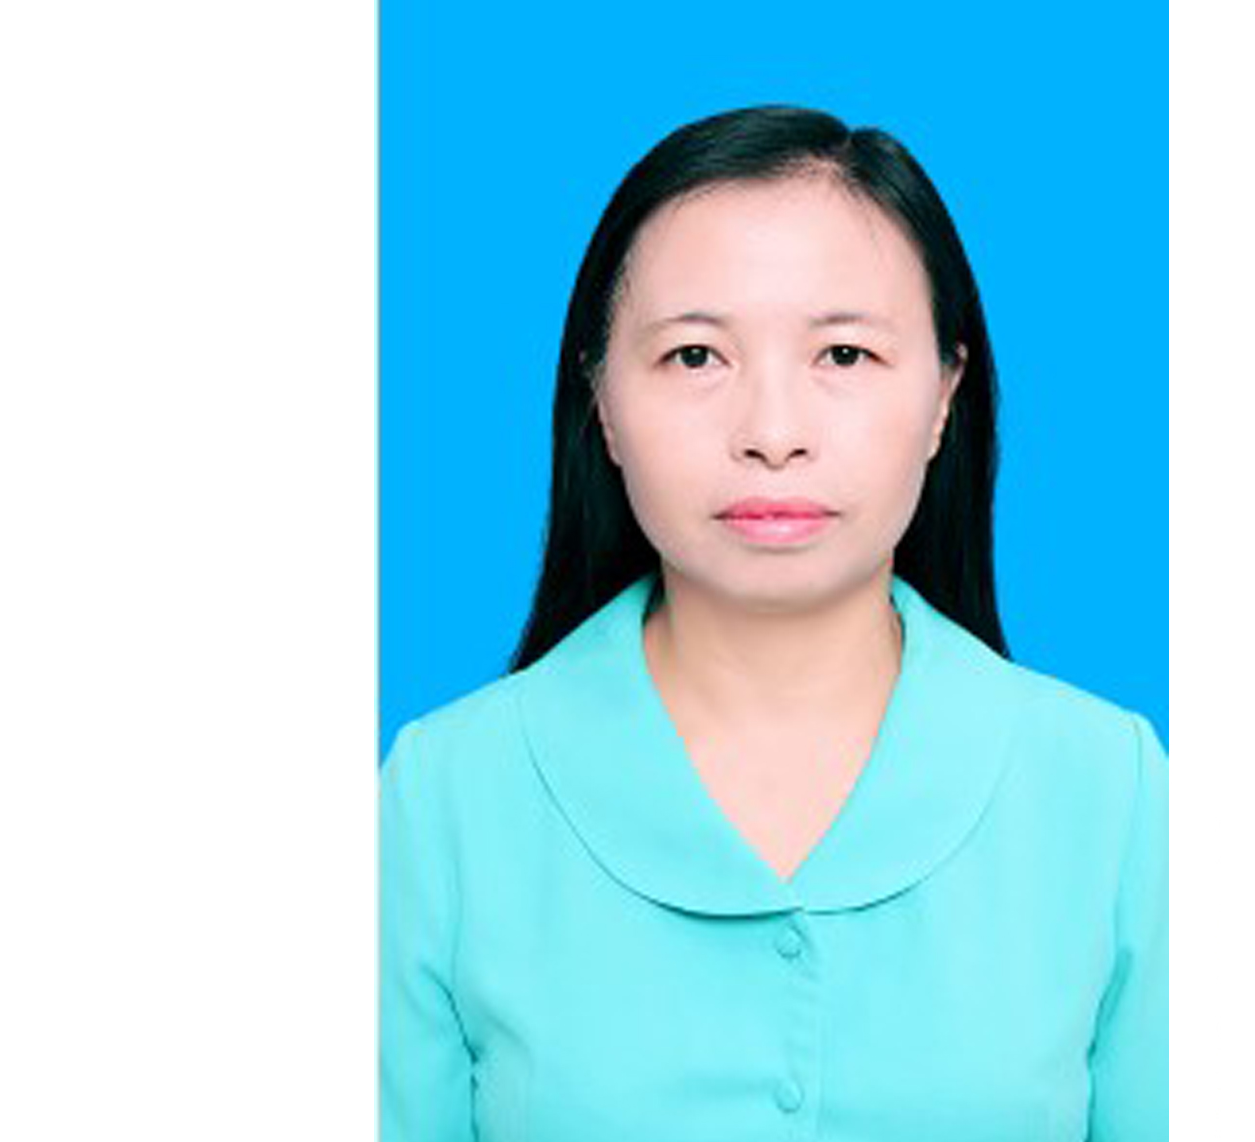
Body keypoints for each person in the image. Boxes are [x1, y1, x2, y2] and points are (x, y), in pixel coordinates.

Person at [381, 103, 1167, 1142]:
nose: (772, 433)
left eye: (843, 354)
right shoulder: (440, 798)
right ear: (601, 398)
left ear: (944, 392)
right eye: (694, 357)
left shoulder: (1110, 790)